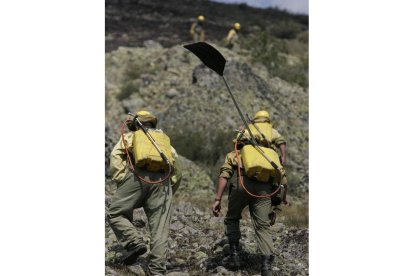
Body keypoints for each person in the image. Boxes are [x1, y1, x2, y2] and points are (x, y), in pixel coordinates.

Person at [211, 110, 288, 276]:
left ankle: (235, 255)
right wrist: (278, 202)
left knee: (232, 217)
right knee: (263, 227)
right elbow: (283, 181)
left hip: (242, 184)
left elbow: (224, 174)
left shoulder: (237, 153)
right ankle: (266, 266)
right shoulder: (271, 156)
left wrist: (217, 199)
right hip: (265, 191)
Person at [108, 110, 182, 275]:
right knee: (159, 228)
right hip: (163, 183)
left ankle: (134, 242)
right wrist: (170, 190)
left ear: (135, 124)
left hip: (136, 177)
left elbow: (115, 155)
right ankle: (156, 270)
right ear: (151, 122)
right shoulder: (164, 142)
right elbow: (177, 168)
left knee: (116, 213)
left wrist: (121, 179)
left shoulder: (131, 136)